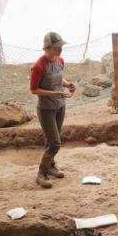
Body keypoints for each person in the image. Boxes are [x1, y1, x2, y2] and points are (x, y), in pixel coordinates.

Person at [29, 32, 76, 189]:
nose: (60, 50)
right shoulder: (39, 66)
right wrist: (54, 93)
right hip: (46, 109)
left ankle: (51, 166)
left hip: (60, 106)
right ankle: (41, 173)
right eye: (57, 47)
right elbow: (34, 90)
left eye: (61, 46)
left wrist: (67, 84)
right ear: (48, 48)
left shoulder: (59, 61)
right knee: (55, 143)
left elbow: (58, 78)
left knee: (51, 140)